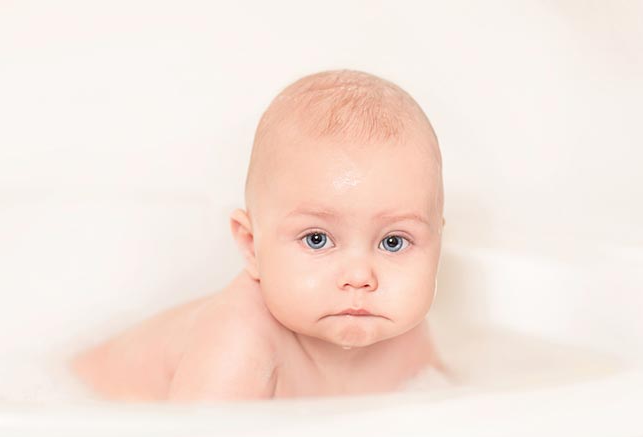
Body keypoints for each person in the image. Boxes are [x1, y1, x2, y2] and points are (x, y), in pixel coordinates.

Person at [69, 68, 450, 401]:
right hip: (81, 407)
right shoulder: (239, 342)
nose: (360, 277)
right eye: (317, 239)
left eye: (393, 242)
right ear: (251, 246)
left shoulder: (405, 331)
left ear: (437, 243)